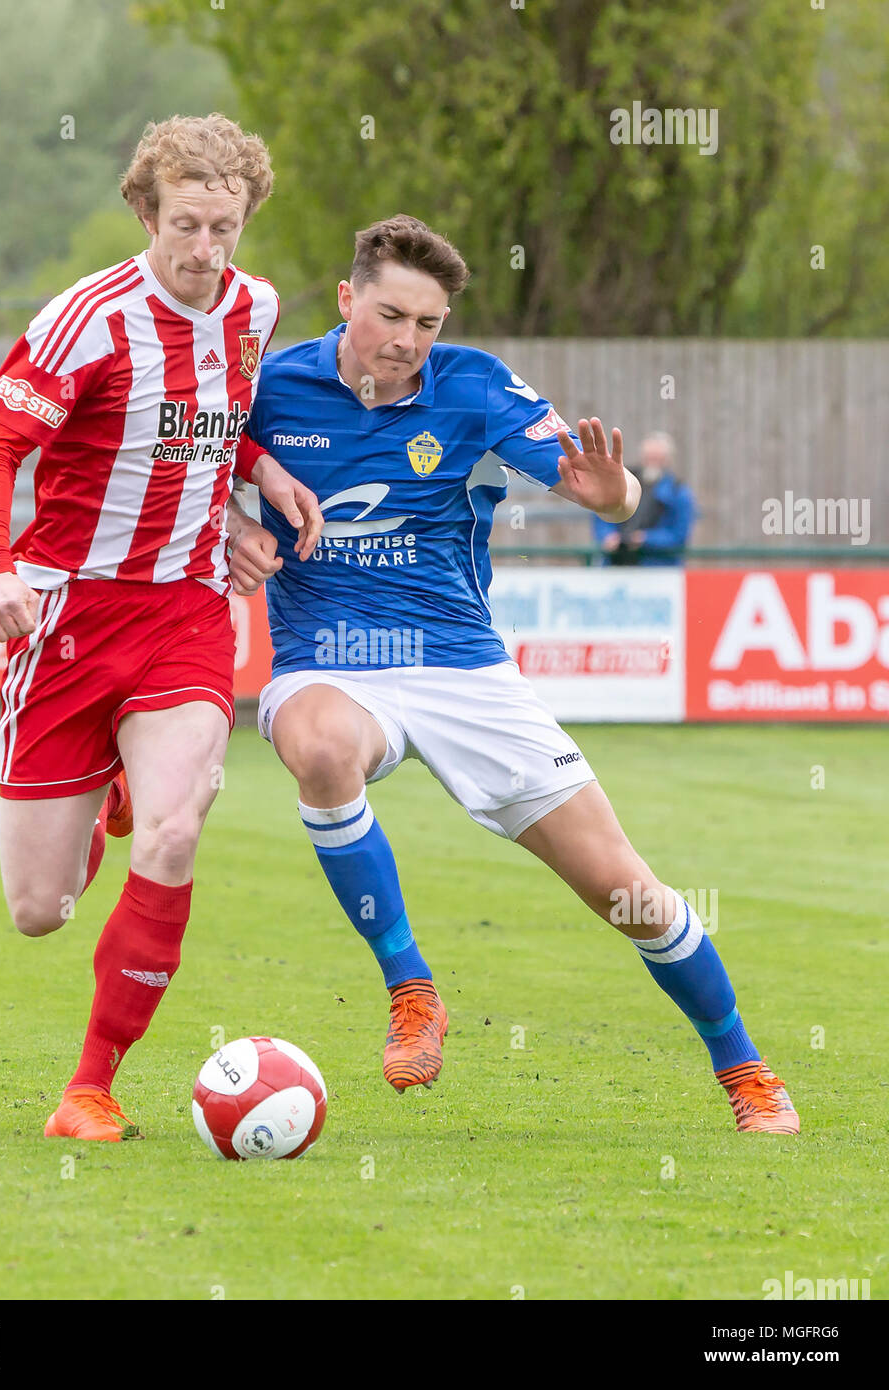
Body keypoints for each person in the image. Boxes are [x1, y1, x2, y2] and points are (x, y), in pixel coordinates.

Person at [225, 215, 798, 1134]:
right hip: (329, 662)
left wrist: (616, 494)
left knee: (627, 892)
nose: (408, 341)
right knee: (322, 750)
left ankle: (745, 1068)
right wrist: (235, 526)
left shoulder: (476, 388)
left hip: (463, 669)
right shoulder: (269, 386)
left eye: (429, 324)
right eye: (390, 314)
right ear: (346, 298)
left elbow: (592, 485)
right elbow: (185, 468)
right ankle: (411, 988)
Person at [0, 114, 322, 1142]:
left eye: (227, 226)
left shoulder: (253, 306)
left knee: (174, 828)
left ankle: (91, 1087)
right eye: (187, 225)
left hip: (185, 612)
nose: (207, 251)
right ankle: (103, 783)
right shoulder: (88, 319)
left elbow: (228, 413)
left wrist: (256, 480)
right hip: (70, 617)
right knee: (39, 909)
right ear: (146, 212)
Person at [592, 432, 695, 564]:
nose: (652, 462)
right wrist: (608, 536)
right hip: (617, 562)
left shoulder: (678, 492)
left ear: (667, 460)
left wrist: (645, 539)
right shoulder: (625, 483)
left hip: (656, 566)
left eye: (657, 458)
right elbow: (604, 512)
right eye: (648, 457)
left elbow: (679, 535)